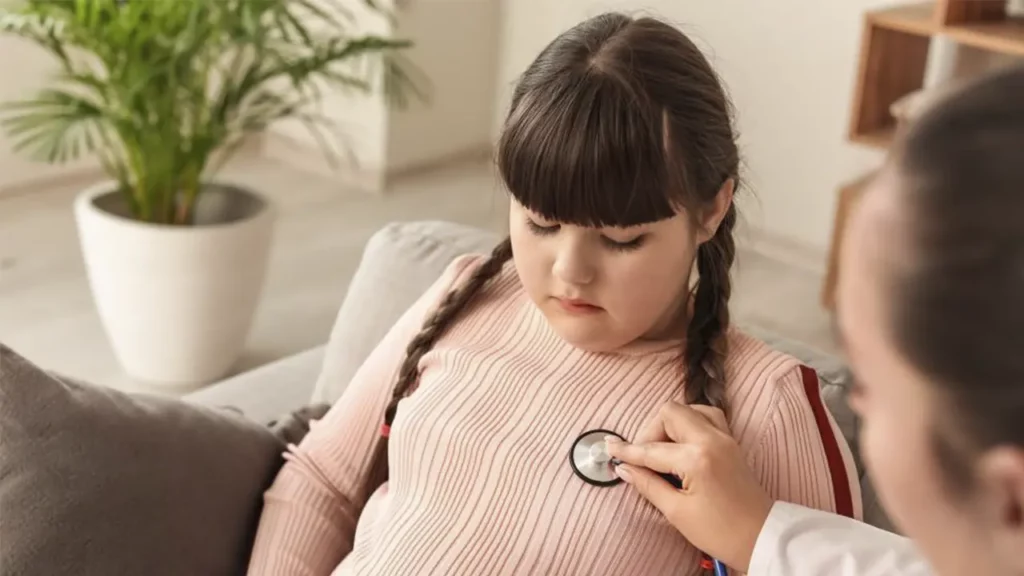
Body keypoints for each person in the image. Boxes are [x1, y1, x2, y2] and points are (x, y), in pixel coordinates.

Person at [246, 13, 861, 575]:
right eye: (540, 222)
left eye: (621, 240)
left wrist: (746, 535)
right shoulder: (466, 293)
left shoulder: (767, 406)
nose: (569, 271)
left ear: (711, 209)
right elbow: (321, 479)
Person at [606, 64, 1024, 576]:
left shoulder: (775, 402)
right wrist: (759, 535)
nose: (850, 391)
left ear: (1012, 501)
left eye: (871, 382)